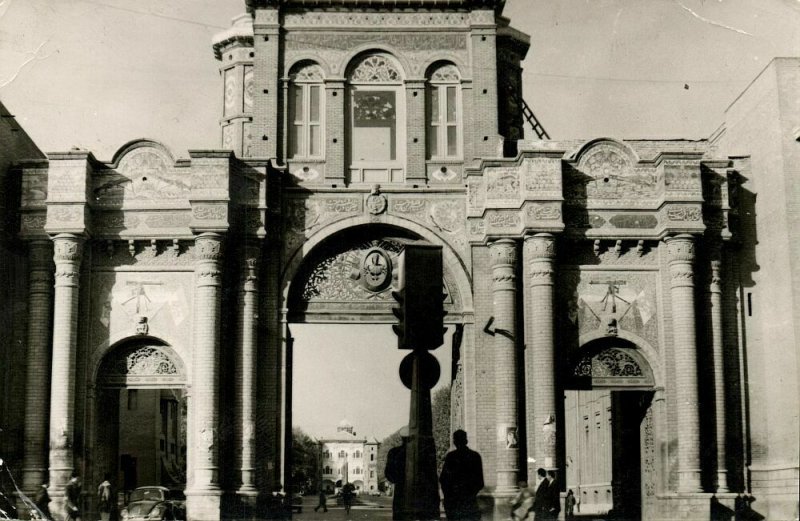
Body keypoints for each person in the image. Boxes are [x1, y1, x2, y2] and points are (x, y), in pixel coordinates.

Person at [439, 430, 484, 521]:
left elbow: (443, 479)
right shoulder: (475, 456)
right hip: (469, 504)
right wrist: (470, 494)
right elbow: (480, 482)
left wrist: (448, 497)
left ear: (454, 442)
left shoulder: (451, 457)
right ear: (466, 441)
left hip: (454, 504)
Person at [385, 428, 409, 521]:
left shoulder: (394, 452)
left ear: (401, 438)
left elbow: (388, 473)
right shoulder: (422, 451)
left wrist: (398, 480)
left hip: (400, 490)